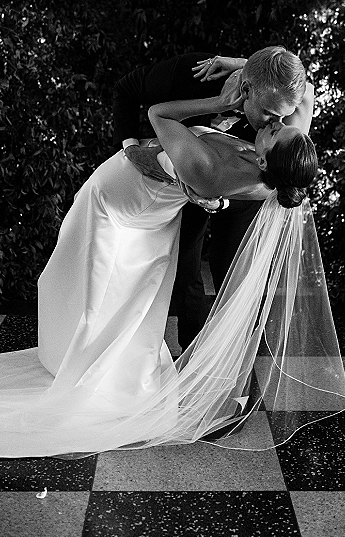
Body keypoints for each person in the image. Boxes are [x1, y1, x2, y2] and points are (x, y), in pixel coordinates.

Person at [0, 78, 345, 485]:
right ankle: (92, 362)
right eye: (280, 120)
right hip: (150, 219)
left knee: (98, 294)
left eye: (274, 129)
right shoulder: (287, 152)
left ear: (268, 157)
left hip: (121, 212)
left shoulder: (219, 171)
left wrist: (218, 102)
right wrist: (244, 69)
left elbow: (158, 116)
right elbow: (302, 90)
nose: (276, 122)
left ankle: (91, 376)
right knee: (122, 295)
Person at [112, 47, 314, 350]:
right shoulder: (189, 73)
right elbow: (126, 89)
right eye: (271, 114)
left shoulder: (280, 116)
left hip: (241, 190)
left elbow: (306, 91)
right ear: (246, 89)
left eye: (283, 117)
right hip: (190, 186)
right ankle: (191, 352)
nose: (277, 124)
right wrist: (130, 148)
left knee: (234, 275)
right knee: (184, 271)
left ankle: (233, 356)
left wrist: (242, 63)